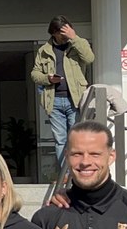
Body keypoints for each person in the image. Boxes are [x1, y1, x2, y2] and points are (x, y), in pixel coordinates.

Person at [29, 16, 94, 166]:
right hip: (54, 100)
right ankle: (65, 174)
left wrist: (74, 37)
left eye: (68, 30)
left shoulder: (78, 44)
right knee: (60, 140)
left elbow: (89, 58)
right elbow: (34, 74)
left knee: (76, 138)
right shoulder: (44, 50)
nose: (65, 35)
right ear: (54, 33)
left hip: (75, 100)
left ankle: (75, 171)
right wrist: (48, 78)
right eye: (62, 32)